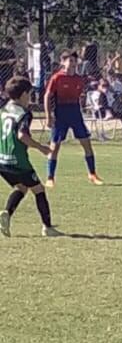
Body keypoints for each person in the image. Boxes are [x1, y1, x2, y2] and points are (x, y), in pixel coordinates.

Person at [0, 77, 63, 237]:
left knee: (21, 187)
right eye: (29, 94)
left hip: (2, 160)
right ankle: (47, 228)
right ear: (23, 94)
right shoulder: (24, 114)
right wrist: (41, 148)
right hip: (18, 161)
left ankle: (6, 214)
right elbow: (22, 135)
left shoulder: (4, 110)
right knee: (39, 190)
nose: (30, 97)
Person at [43, 50, 103, 188]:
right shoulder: (56, 78)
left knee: (86, 143)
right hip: (61, 113)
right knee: (55, 145)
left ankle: (92, 174)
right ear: (63, 62)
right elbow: (47, 96)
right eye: (70, 60)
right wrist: (48, 115)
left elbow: (79, 96)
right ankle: (50, 177)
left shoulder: (79, 79)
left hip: (75, 112)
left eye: (74, 61)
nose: (73, 63)